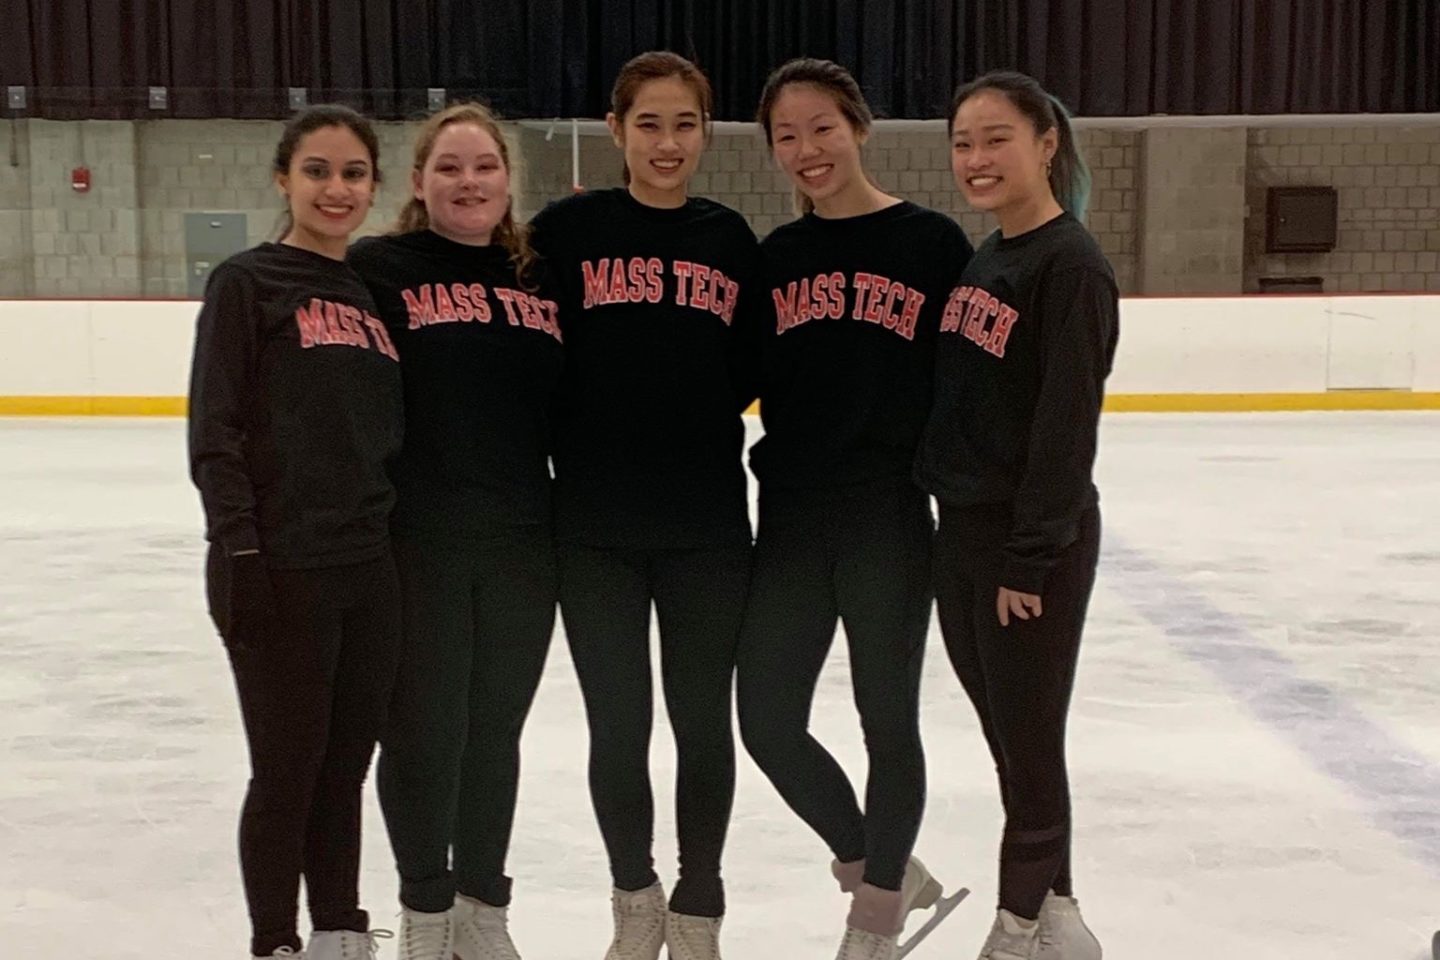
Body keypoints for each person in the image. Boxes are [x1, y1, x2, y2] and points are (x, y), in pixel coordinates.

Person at [734, 58, 974, 960]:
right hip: (792, 518)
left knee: (887, 721)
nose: (806, 149)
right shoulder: (775, 259)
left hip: (887, 519)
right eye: (786, 136)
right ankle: (879, 866)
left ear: (859, 128)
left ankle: (873, 920)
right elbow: (738, 376)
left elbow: (967, 385)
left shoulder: (931, 245)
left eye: (821, 128)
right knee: (766, 721)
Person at [528, 51, 762, 960]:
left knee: (704, 723)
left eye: (686, 124)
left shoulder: (729, 237)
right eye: (651, 124)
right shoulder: (564, 232)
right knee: (618, 726)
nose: (669, 143)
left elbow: (750, 366)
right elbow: (526, 353)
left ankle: (698, 905)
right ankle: (635, 895)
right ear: (618, 129)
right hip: (592, 532)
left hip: (706, 529)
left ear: (706, 132)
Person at [346, 103, 563, 960]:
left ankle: (483, 910)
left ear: (508, 179)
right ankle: (426, 913)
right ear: (418, 182)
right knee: (423, 729)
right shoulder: (378, 268)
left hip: (522, 541)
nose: (467, 182)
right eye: (449, 167)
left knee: (494, 732)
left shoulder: (537, 277)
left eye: (482, 167)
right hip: (421, 538)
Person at [187, 104, 403, 960]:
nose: (336, 189)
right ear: (284, 178)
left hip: (367, 570)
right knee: (287, 775)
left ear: (374, 187)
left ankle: (341, 930)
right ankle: (276, 941)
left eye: (353, 174)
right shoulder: (247, 282)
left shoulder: (369, 294)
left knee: (343, 773)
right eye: (317, 170)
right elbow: (216, 426)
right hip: (278, 566)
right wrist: (238, 545)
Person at [914, 70, 1119, 960]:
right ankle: (1061, 918)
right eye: (963, 142)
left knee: (1028, 748)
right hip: (960, 534)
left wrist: (1029, 559)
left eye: (996, 138)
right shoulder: (989, 254)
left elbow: (1066, 428)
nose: (976, 158)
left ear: (1047, 144)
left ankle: (1015, 930)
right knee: (1012, 741)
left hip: (1025, 547)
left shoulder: (1069, 266)